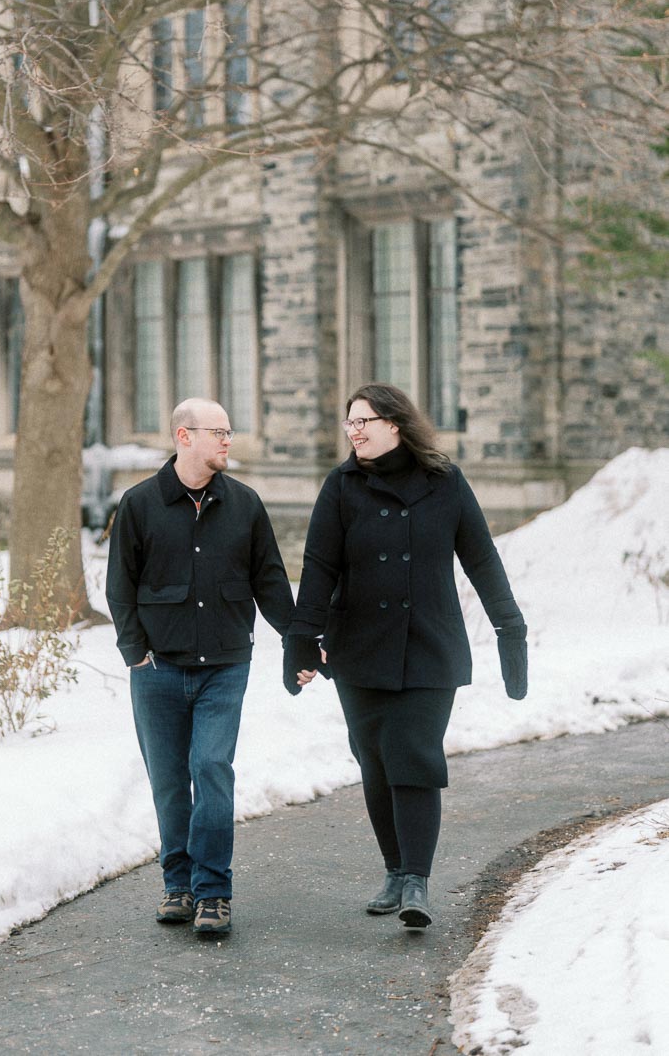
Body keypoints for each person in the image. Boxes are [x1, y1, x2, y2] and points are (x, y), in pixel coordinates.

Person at [283, 383, 528, 931]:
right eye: (349, 423)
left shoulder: (444, 481)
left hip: (429, 645)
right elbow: (319, 566)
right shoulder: (341, 486)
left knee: (412, 752)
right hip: (359, 646)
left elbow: (482, 560)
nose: (355, 431)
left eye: (364, 420)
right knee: (373, 759)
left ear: (396, 422)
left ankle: (416, 879)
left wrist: (509, 626)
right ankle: (395, 871)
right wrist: (302, 638)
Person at [107, 396, 294, 937]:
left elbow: (271, 582)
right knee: (169, 781)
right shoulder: (140, 504)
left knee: (211, 769)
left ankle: (214, 891)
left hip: (225, 666)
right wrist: (134, 653)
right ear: (184, 436)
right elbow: (120, 586)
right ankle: (178, 886)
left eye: (230, 432)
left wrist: (300, 642)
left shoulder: (245, 504)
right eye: (218, 432)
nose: (227, 441)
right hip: (157, 669)